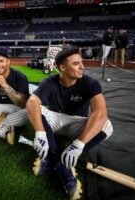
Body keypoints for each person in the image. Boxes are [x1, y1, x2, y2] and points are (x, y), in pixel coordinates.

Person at [26, 47, 113, 199]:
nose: (82, 67)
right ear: (62, 67)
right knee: (32, 108)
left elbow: (100, 113)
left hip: (76, 125)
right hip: (55, 120)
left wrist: (79, 144)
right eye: (76, 64)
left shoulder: (90, 83)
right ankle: (53, 155)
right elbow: (32, 102)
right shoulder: (50, 81)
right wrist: (40, 133)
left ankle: (58, 161)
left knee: (106, 125)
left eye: (82, 63)